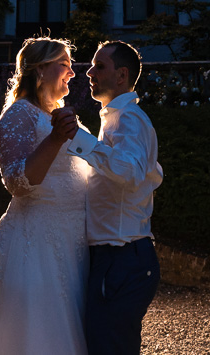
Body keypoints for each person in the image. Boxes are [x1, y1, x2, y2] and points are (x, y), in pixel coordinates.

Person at [0, 36, 87, 355]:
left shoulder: (60, 113)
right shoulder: (17, 115)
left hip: (75, 239)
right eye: (65, 65)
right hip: (37, 244)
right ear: (39, 70)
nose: (73, 73)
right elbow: (17, 183)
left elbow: (90, 167)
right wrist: (54, 139)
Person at [81, 40, 163, 355]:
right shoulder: (114, 119)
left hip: (122, 257)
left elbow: (129, 171)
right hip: (114, 258)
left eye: (99, 66)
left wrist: (82, 142)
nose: (89, 72)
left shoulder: (130, 118)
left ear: (121, 75)